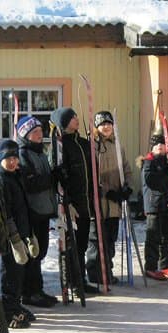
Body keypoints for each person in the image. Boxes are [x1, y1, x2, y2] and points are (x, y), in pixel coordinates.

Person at [50, 107, 99, 294]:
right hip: (71, 204)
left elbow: (92, 172)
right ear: (64, 123)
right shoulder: (60, 146)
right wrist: (66, 202)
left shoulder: (84, 143)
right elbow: (57, 178)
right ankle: (72, 281)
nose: (76, 119)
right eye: (72, 118)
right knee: (73, 244)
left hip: (86, 202)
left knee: (83, 243)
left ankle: (81, 279)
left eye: (76, 116)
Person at [86, 111, 133, 285]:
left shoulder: (117, 146)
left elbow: (126, 169)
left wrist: (127, 187)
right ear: (97, 127)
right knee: (97, 239)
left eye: (109, 124)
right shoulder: (92, 146)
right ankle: (95, 272)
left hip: (114, 203)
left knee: (110, 239)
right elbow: (91, 173)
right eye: (102, 124)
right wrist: (103, 190)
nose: (106, 127)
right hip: (98, 201)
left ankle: (107, 270)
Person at [15, 116, 58, 308]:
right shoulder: (23, 154)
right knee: (33, 253)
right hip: (32, 211)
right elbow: (29, 183)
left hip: (43, 210)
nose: (40, 135)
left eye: (41, 131)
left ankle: (37, 289)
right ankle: (29, 292)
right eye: (35, 132)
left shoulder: (40, 152)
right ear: (26, 135)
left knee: (40, 252)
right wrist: (51, 178)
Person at [0, 139, 39, 327]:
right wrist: (14, 237)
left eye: (15, 158)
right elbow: (6, 212)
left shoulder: (15, 176)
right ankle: (5, 312)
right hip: (9, 237)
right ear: (0, 159)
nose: (13, 162)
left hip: (21, 232)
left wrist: (29, 233)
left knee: (18, 273)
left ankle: (15, 304)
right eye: (8, 158)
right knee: (8, 274)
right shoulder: (2, 179)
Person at [140, 130, 168, 280]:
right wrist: (164, 171)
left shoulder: (166, 161)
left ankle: (164, 265)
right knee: (153, 237)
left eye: (162, 144)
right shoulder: (148, 161)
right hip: (153, 205)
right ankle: (150, 267)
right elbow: (150, 180)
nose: (160, 147)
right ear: (153, 148)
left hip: (166, 203)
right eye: (157, 145)